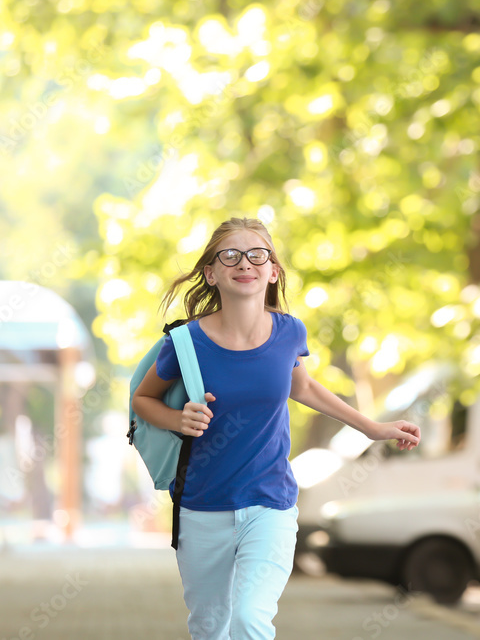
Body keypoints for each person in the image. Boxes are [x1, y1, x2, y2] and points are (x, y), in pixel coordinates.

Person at [131, 216, 421, 640]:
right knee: (210, 628)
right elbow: (143, 400)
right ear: (211, 273)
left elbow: (302, 386)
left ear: (273, 270)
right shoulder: (185, 342)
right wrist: (179, 419)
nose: (244, 263)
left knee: (250, 620)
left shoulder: (288, 332)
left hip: (271, 503)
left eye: (257, 254)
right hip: (202, 507)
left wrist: (371, 428)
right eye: (229, 255)